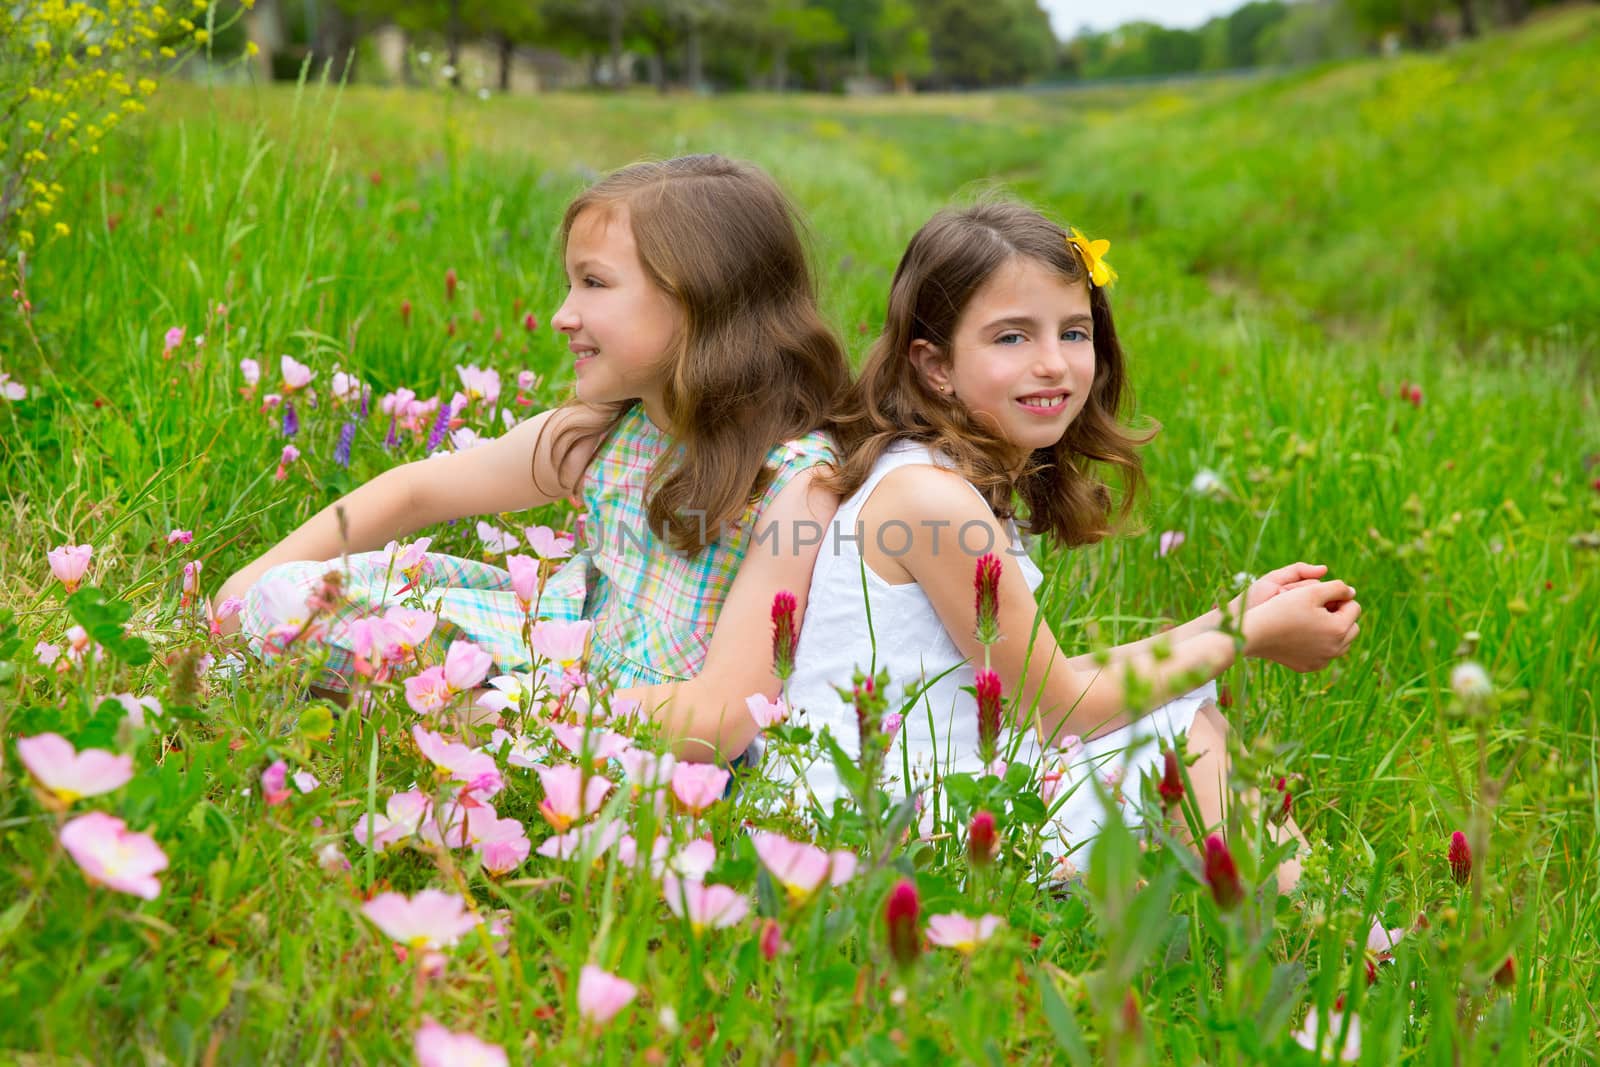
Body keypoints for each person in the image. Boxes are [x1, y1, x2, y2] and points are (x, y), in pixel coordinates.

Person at [778, 201, 1361, 883]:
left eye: (1074, 332)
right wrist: (1248, 637)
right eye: (1012, 338)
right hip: (873, 827)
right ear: (935, 366)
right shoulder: (931, 500)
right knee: (1182, 740)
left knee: (1180, 719)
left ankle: (1336, 939)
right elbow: (1060, 711)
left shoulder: (941, 479)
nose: (1053, 363)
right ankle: (1349, 953)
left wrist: (1233, 618)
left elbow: (1049, 681)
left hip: (916, 795)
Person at [216, 155, 848, 763]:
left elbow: (722, 716)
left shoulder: (795, 480)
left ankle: (429, 724)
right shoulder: (605, 432)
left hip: (644, 731)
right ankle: (416, 714)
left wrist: (514, 715)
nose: (561, 316)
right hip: (550, 659)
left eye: (594, 283)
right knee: (290, 595)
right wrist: (238, 591)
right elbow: (415, 493)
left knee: (333, 635)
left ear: (698, 298)